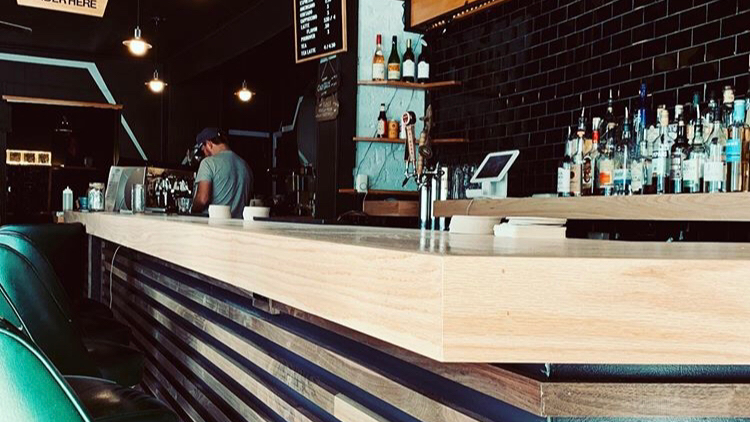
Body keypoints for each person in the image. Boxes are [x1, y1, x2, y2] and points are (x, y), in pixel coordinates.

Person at [191, 128, 253, 218]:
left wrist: (191, 209)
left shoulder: (208, 163)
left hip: (213, 224)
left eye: (203, 149)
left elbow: (202, 199)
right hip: (239, 224)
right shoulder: (245, 166)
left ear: (209, 144)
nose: (204, 153)